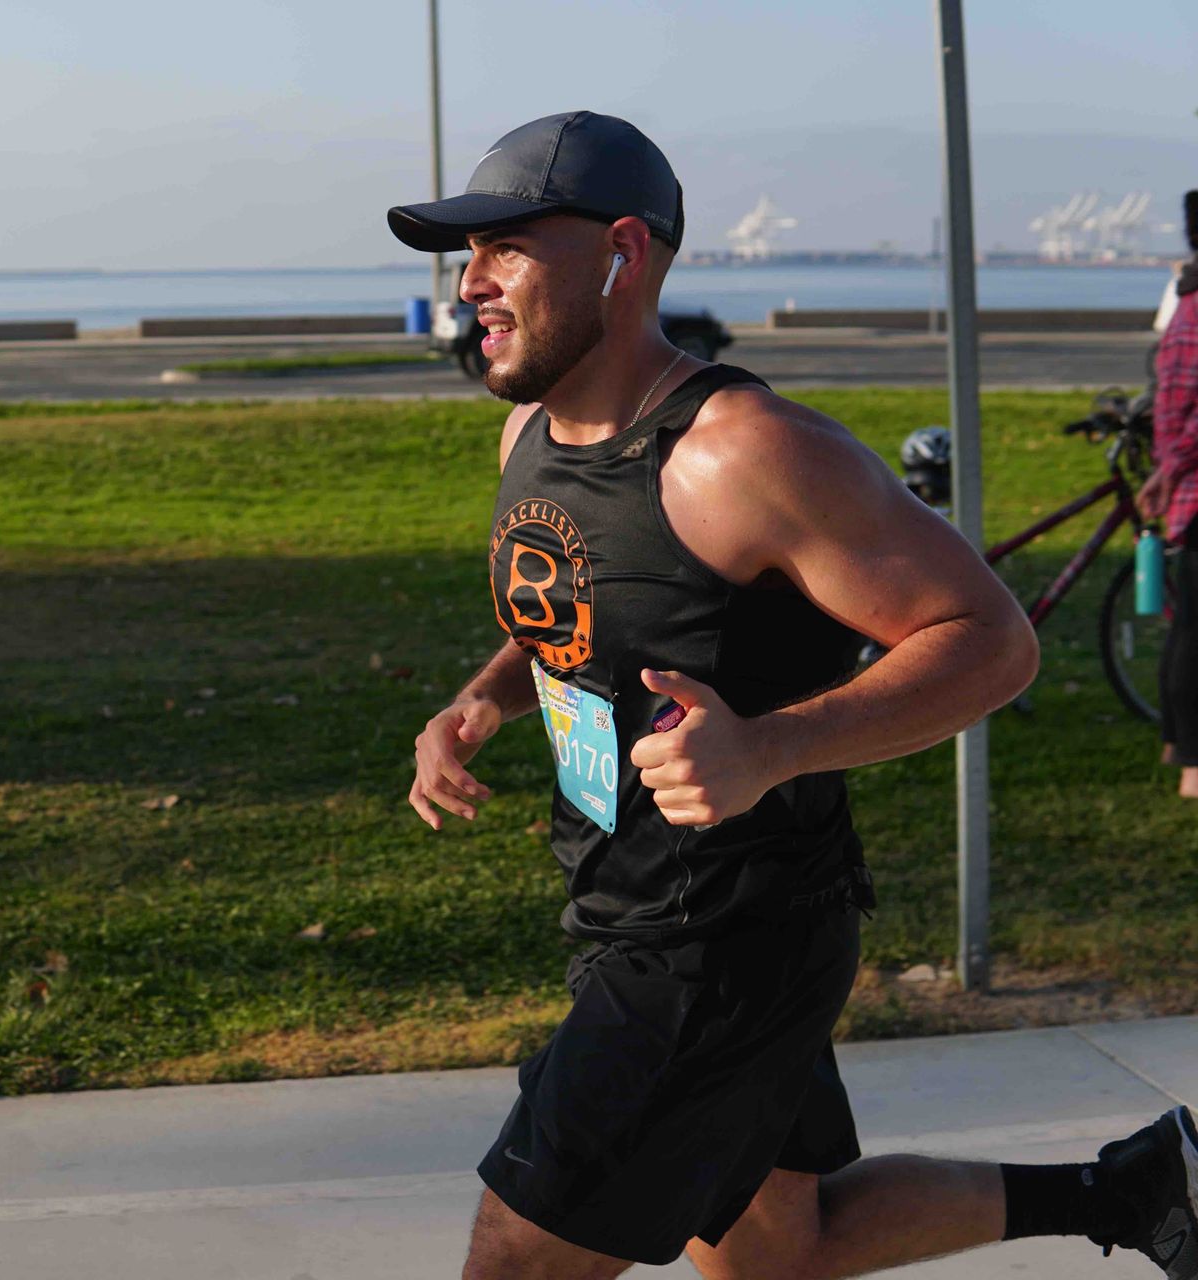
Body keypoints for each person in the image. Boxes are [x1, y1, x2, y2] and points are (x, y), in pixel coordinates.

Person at [392, 110, 1198, 1280]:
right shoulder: (530, 430)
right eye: (469, 252)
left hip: (721, 935)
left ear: (623, 251)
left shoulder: (746, 453)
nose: (471, 281)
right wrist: (480, 702)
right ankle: (1132, 1187)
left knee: (516, 1259)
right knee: (778, 1250)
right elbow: (574, 613)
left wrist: (767, 747)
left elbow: (990, 640)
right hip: (621, 902)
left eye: (506, 245)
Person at [1139, 190, 1198, 799]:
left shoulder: (1185, 299)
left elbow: (1171, 401)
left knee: (1187, 626)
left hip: (1185, 486)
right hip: (1195, 487)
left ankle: (1175, 745)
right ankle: (1193, 766)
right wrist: (1173, 469)